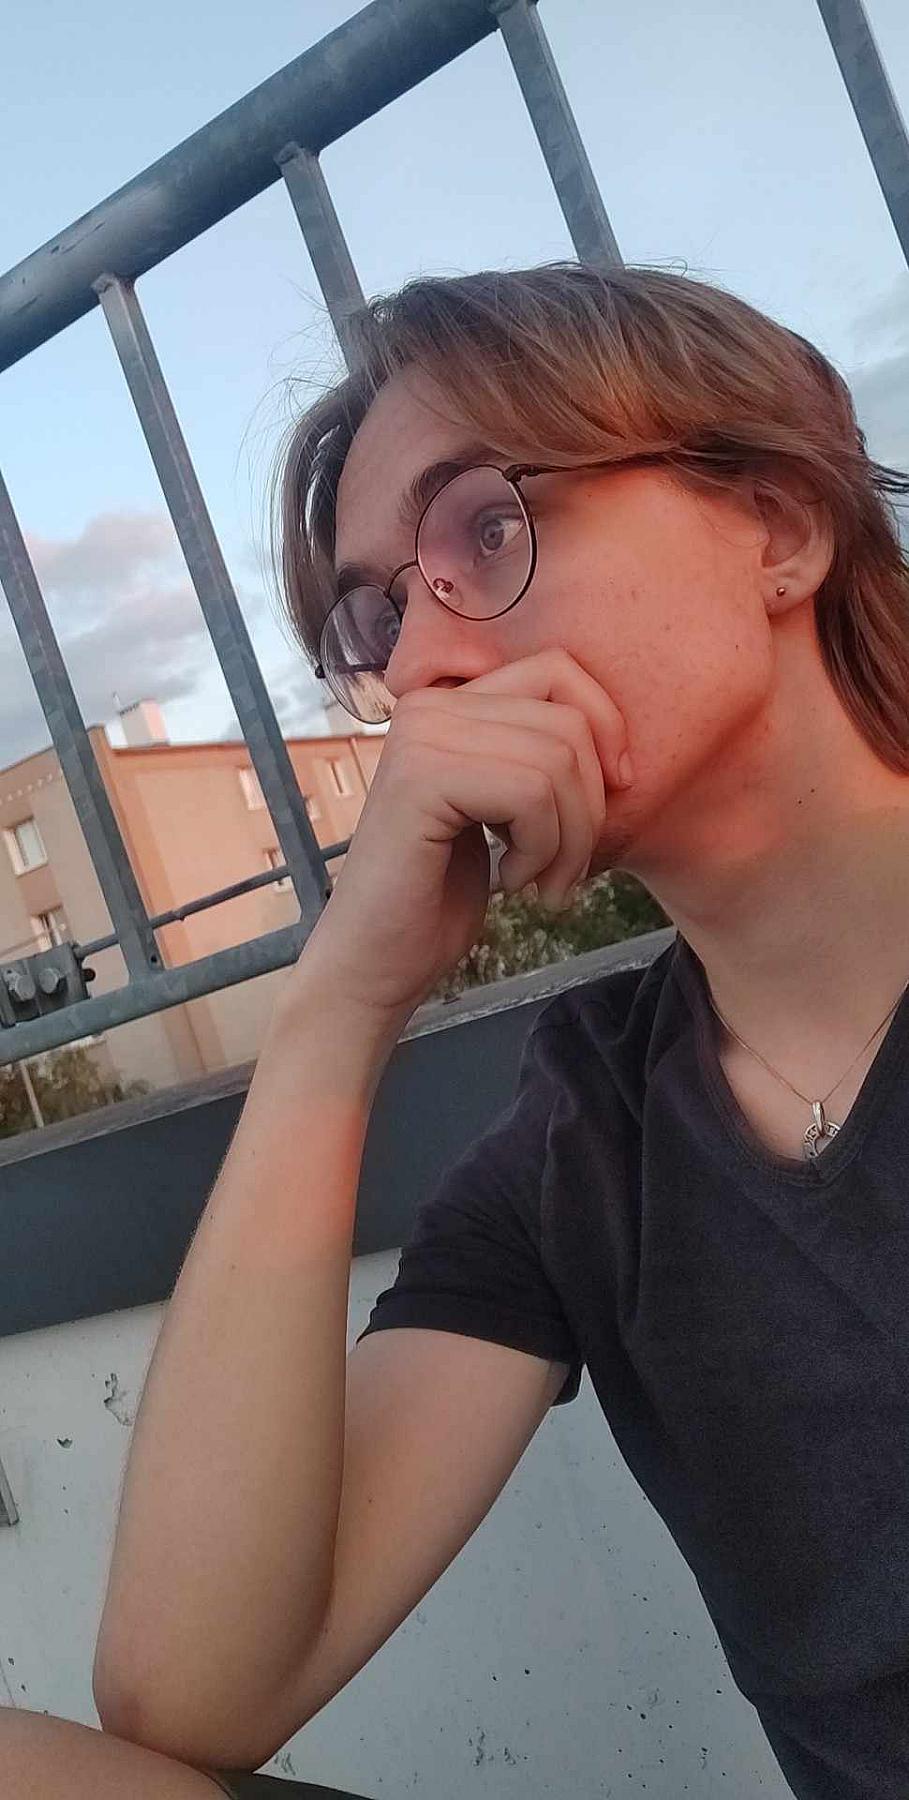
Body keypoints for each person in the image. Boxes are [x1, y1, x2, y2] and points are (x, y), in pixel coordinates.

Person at [5, 261, 907, 1799]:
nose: (420, 669)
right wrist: (338, 1006)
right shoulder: (587, 1131)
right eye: (376, 618)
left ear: (775, 525)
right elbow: (190, 1692)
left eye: (486, 530)